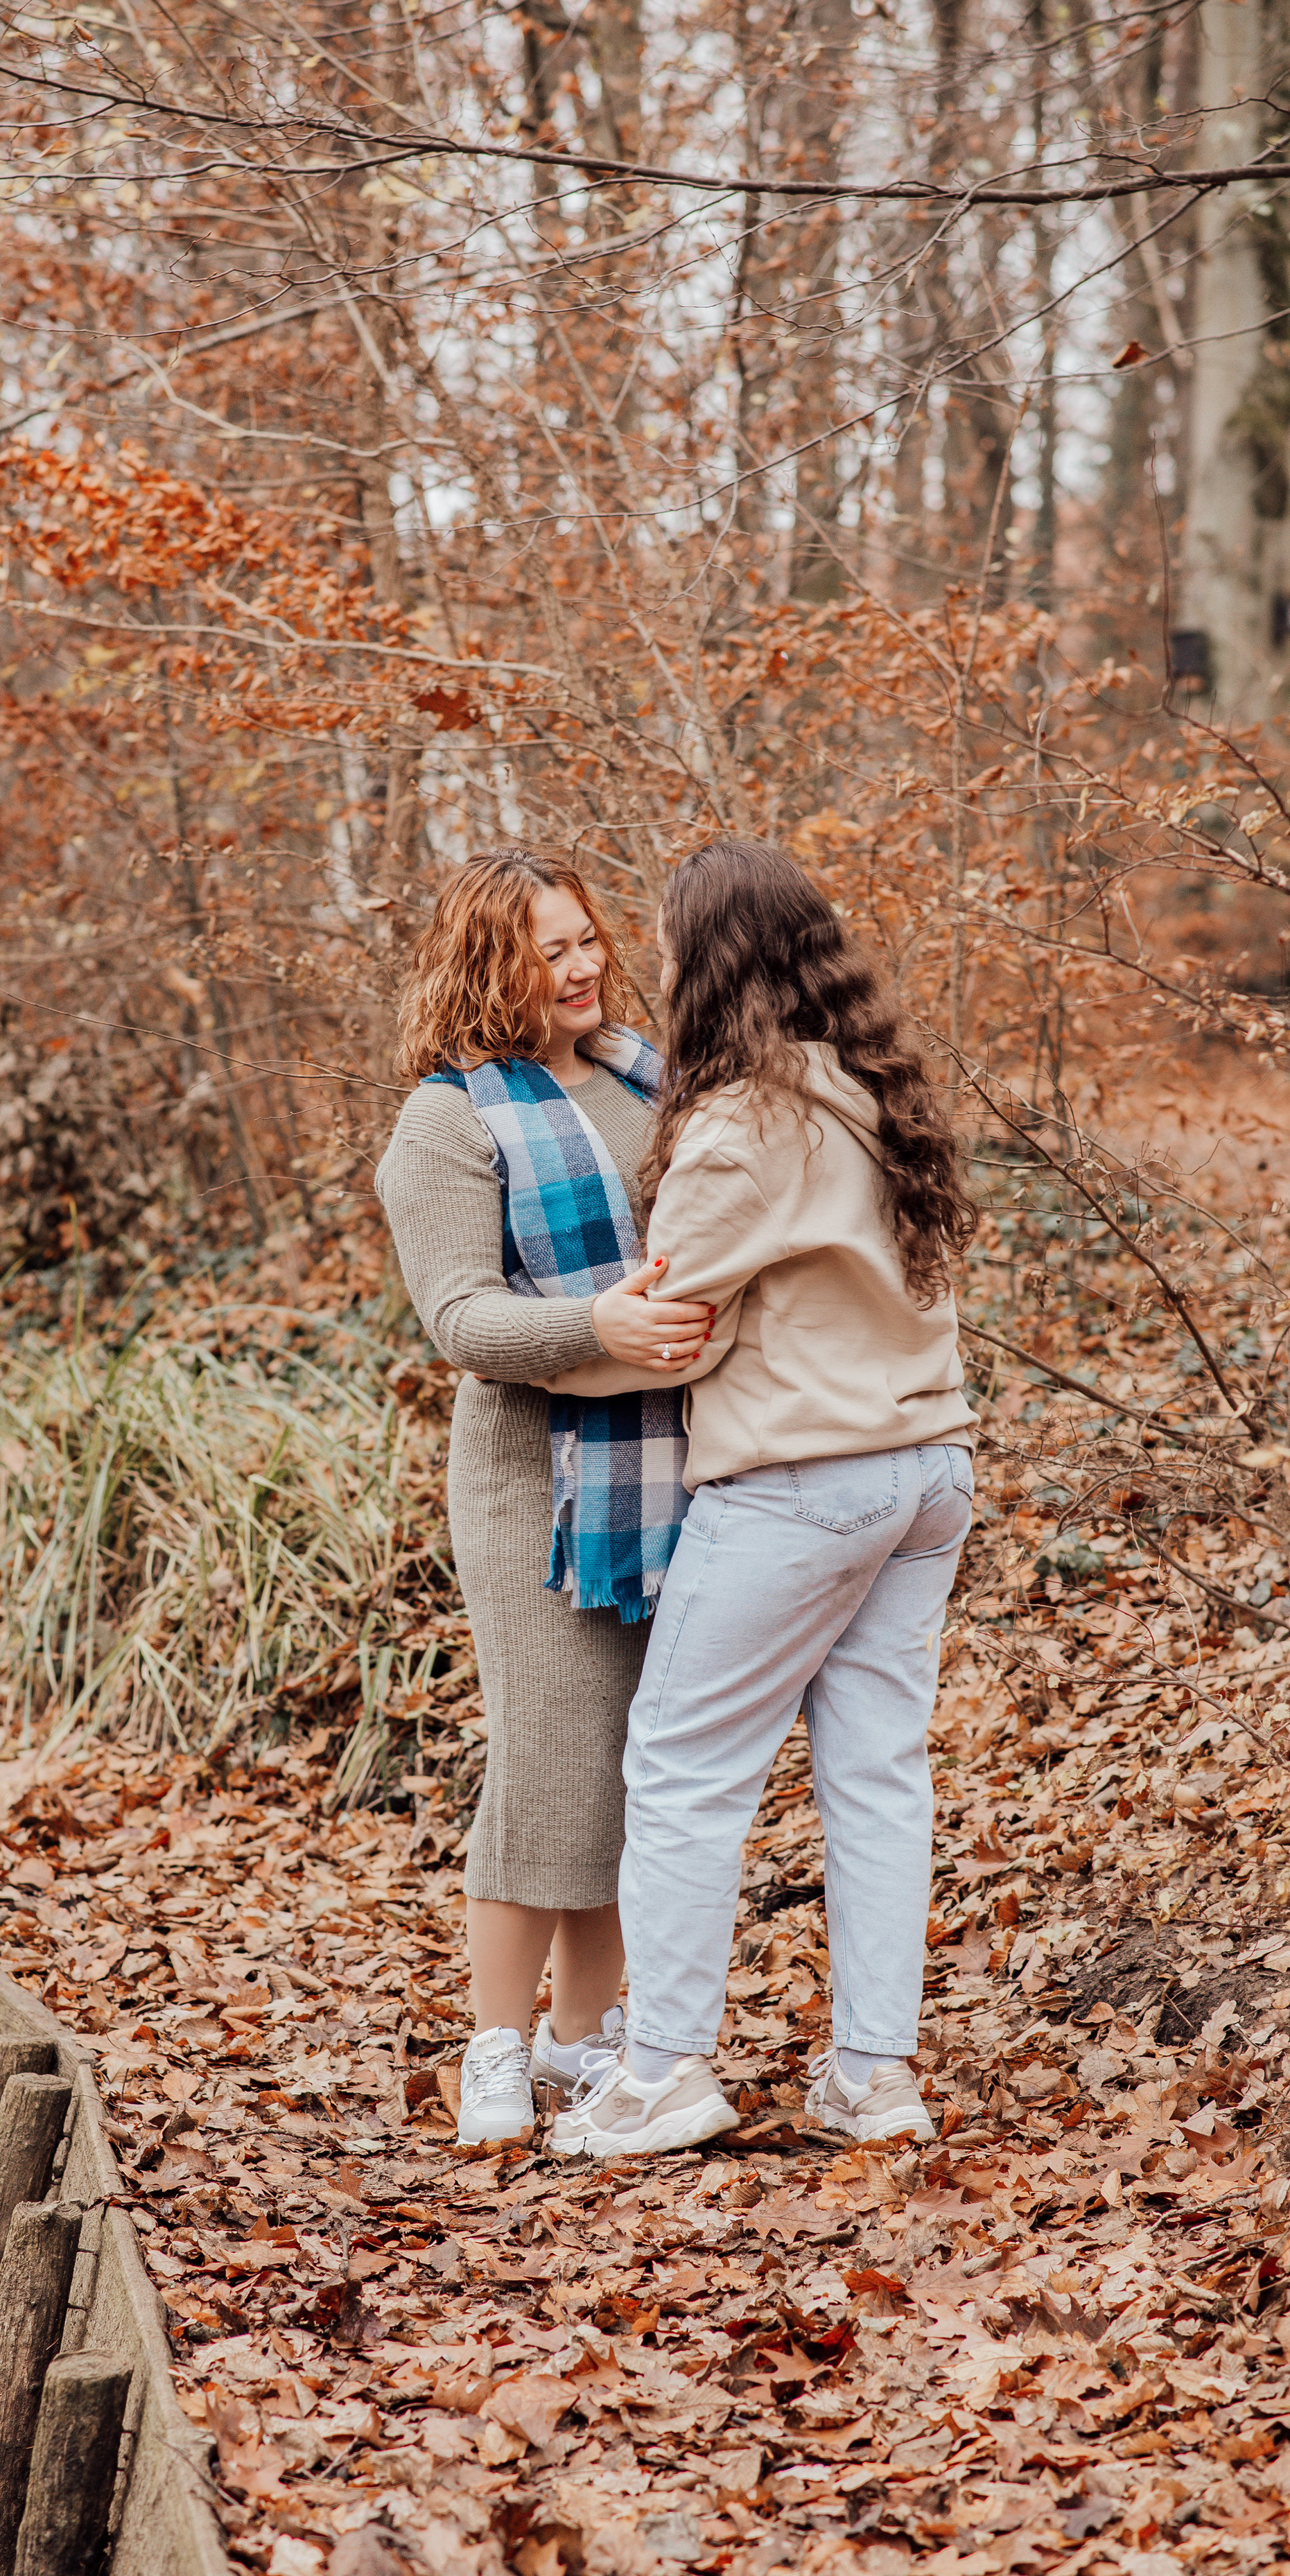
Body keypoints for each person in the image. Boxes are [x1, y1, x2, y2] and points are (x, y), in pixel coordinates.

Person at [543, 836, 979, 2160]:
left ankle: (664, 2071)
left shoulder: (739, 1128)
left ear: (709, 962)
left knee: (682, 1768)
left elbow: (675, 1330)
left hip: (802, 1481)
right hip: (926, 1472)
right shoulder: (874, 1086)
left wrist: (554, 1345)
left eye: (668, 945)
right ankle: (874, 2077)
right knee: (877, 1776)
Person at [376, 851, 713, 2146]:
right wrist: (600, 1324)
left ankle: (583, 2036)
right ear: (486, 966)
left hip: (670, 1458)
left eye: (586, 940)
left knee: (633, 1766)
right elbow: (462, 1319)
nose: (581, 967)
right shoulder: (448, 1121)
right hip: (536, 1480)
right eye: (547, 950)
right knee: (546, 1761)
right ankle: (495, 2047)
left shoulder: (645, 1076)